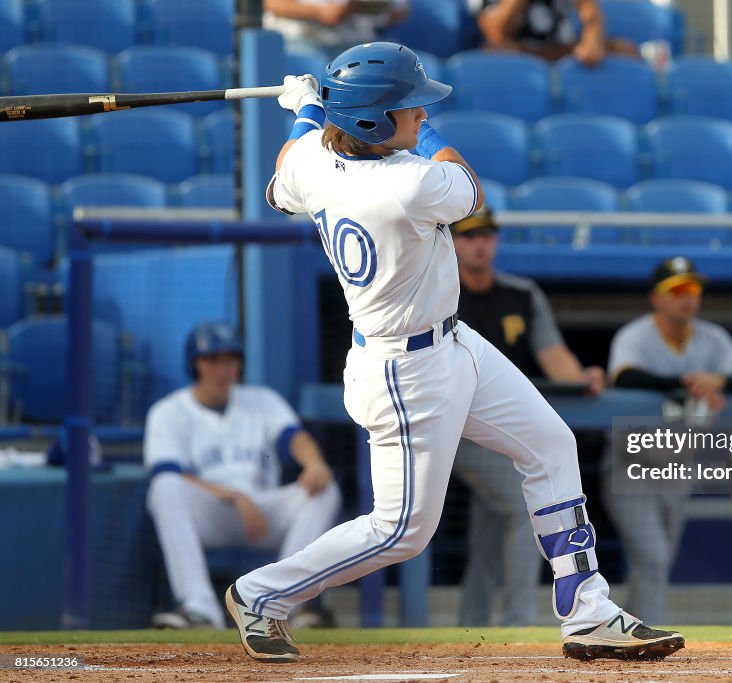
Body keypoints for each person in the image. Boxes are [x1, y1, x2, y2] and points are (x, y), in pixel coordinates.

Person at [223, 42, 685, 663]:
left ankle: (588, 611)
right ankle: (261, 594)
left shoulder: (318, 164)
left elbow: (285, 180)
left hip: (453, 339)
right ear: (374, 121)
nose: (419, 116)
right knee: (401, 532)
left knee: (551, 444)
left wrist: (307, 111)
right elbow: (469, 187)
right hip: (404, 370)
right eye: (409, 108)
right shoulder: (409, 184)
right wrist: (328, 109)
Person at [450, 207, 604, 627]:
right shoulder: (441, 291)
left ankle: (472, 626)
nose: (479, 243)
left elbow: (553, 355)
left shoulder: (520, 294)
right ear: (452, 241)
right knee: (520, 508)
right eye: (468, 235)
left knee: (491, 526)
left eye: (486, 234)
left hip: (508, 426)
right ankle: (519, 620)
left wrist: (580, 377)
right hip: (459, 426)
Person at [145, 322, 341, 629]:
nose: (223, 369)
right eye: (212, 360)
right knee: (164, 488)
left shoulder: (262, 400)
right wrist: (234, 496)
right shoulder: (167, 412)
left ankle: (282, 603)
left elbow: (293, 437)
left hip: (263, 514)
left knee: (324, 490)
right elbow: (168, 471)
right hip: (210, 513)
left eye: (230, 359)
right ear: (194, 364)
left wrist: (315, 464)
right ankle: (200, 610)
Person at [604, 256, 732, 626]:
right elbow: (625, 378)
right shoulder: (636, 335)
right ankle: (650, 636)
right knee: (655, 558)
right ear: (656, 298)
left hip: (676, 467)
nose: (686, 297)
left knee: (655, 565)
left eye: (692, 289)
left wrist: (720, 380)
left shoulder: (712, 337)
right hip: (632, 465)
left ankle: (623, 629)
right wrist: (688, 384)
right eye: (676, 290)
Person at [468, 0, 637, 66]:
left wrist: (592, 42)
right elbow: (496, 32)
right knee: (495, 49)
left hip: (561, 50)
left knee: (624, 49)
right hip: (521, 54)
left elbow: (590, 13)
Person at [264, 0, 409, 56]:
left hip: (359, 41)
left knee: (413, 64)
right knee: (317, 71)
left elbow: (399, 12)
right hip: (300, 39)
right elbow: (271, 4)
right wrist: (318, 13)